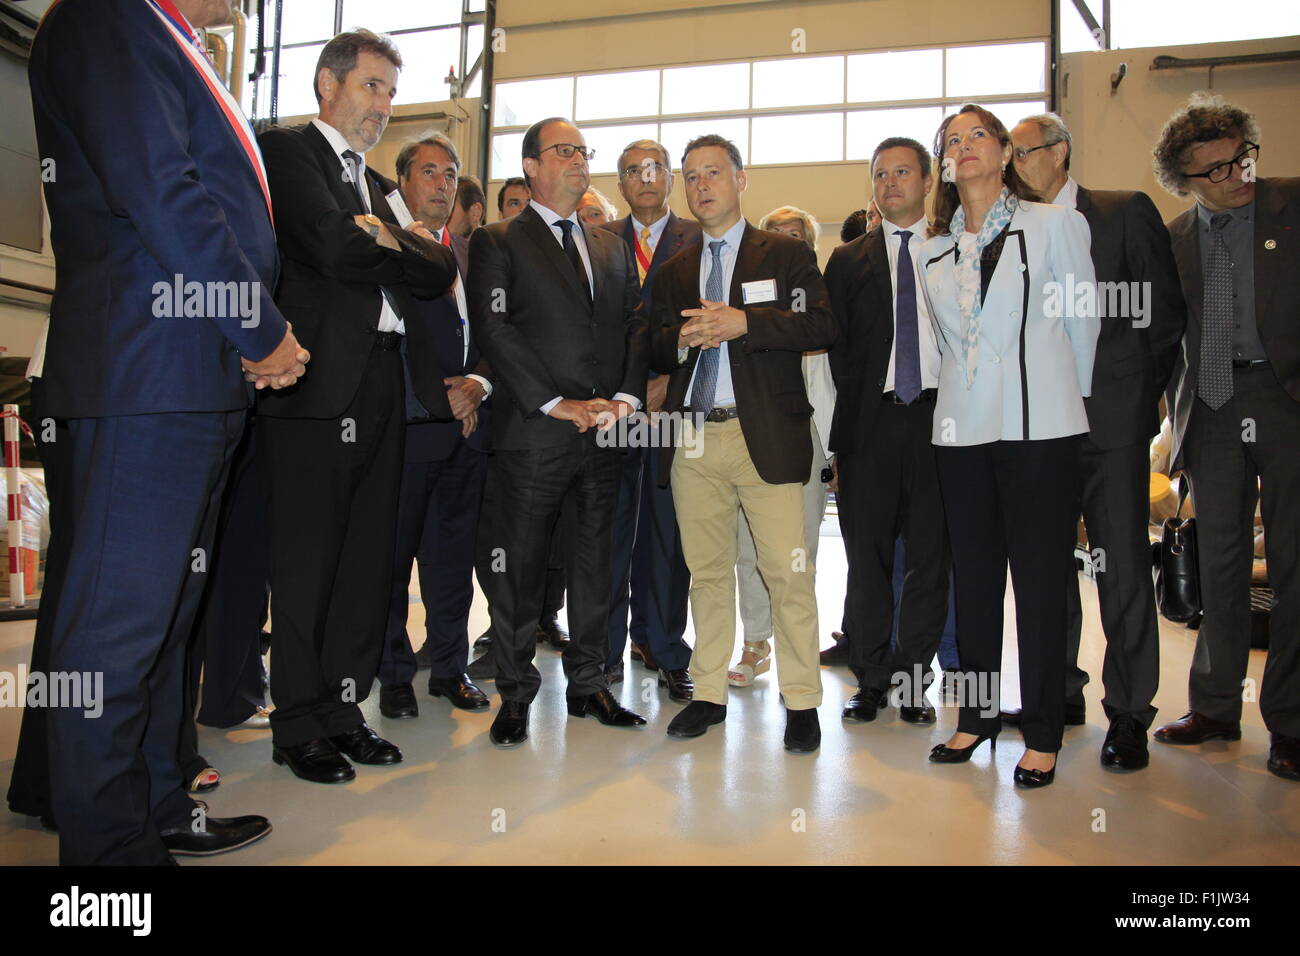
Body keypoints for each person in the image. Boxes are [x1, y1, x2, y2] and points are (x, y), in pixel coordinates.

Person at [27, 0, 308, 863]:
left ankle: (155, 806)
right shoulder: (108, 17)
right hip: (146, 373)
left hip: (188, 376)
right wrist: (260, 331)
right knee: (115, 638)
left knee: (164, 627)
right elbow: (160, 192)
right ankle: (109, 864)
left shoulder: (165, 35)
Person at [256, 30, 457, 783]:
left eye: (391, 93)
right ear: (327, 84)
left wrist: (387, 236)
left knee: (369, 564)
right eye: (373, 86)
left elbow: (437, 265)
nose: (384, 105)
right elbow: (331, 248)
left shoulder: (375, 186)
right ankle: (297, 722)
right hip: (315, 388)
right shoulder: (288, 153)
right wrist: (389, 242)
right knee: (309, 563)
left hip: (385, 386)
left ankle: (345, 712)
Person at [920, 104, 1098, 789]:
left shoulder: (1054, 226)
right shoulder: (931, 249)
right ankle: (978, 714)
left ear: (1004, 154)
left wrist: (1067, 405)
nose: (963, 148)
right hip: (963, 433)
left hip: (1040, 429)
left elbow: (1083, 329)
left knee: (1041, 580)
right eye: (951, 141)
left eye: (977, 137)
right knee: (975, 577)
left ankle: (1045, 728)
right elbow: (938, 353)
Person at [1010, 111, 1186, 771]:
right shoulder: (1013, 226)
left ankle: (1131, 713)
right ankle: (1056, 697)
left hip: (1110, 425)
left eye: (1023, 151)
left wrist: (1136, 399)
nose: (1015, 164)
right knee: (1044, 569)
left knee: (1121, 570)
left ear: (1060, 151)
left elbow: (1163, 314)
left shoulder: (1119, 211)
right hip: (1039, 426)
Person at [649, 134, 835, 753]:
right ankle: (707, 693)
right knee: (706, 572)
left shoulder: (782, 254)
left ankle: (802, 700)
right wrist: (677, 343)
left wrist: (744, 323)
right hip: (696, 437)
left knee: (788, 572)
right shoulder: (675, 270)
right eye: (692, 176)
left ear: (740, 179)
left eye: (713, 173)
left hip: (768, 436)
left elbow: (820, 323)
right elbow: (648, 344)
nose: (702, 186)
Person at [469, 117, 649, 747]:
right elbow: (496, 331)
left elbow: (634, 324)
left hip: (604, 434)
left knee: (597, 565)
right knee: (518, 570)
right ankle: (515, 692)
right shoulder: (499, 241)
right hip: (533, 435)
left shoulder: (610, 245)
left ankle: (591, 685)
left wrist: (626, 398)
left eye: (583, 150)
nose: (578, 159)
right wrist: (553, 402)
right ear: (531, 165)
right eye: (564, 151)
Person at [1151, 95, 1300, 782]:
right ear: (1183, 180)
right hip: (1210, 404)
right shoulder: (1175, 238)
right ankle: (1214, 707)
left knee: (1294, 569)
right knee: (1219, 565)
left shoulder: (1291, 207)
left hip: (1285, 397)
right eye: (1214, 170)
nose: (1236, 174)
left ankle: (1291, 723)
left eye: (1241, 157)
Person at [824, 138, 950, 724]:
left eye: (903, 171)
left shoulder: (959, 248)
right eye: (880, 174)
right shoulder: (848, 261)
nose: (891, 182)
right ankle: (870, 678)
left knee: (931, 556)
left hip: (942, 422)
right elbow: (838, 352)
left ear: (927, 181)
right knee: (865, 557)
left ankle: (915, 676)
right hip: (869, 427)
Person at [376, 134, 493, 720]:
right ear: (403, 182)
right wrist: (437, 399)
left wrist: (476, 388)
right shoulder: (386, 246)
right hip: (408, 428)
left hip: (467, 433)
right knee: (393, 562)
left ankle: (450, 669)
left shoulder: (476, 254)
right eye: (430, 173)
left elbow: (496, 334)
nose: (443, 185)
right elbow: (387, 341)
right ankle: (394, 675)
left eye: (450, 175)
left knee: (452, 564)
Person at [600, 138, 700, 698]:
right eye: (632, 170)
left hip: (671, 406)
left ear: (670, 178)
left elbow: (709, 322)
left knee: (667, 532)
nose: (645, 178)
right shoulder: (598, 241)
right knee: (607, 530)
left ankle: (664, 648)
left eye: (655, 168)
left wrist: (670, 380)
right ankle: (605, 648)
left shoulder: (697, 238)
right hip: (613, 410)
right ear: (620, 184)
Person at [728, 206, 835, 689]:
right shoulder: (747, 310)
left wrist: (836, 452)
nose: (788, 244)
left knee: (797, 549)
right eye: (777, 237)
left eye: (798, 237)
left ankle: (798, 642)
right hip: (756, 429)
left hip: (812, 438)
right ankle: (755, 642)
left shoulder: (822, 312)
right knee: (749, 546)